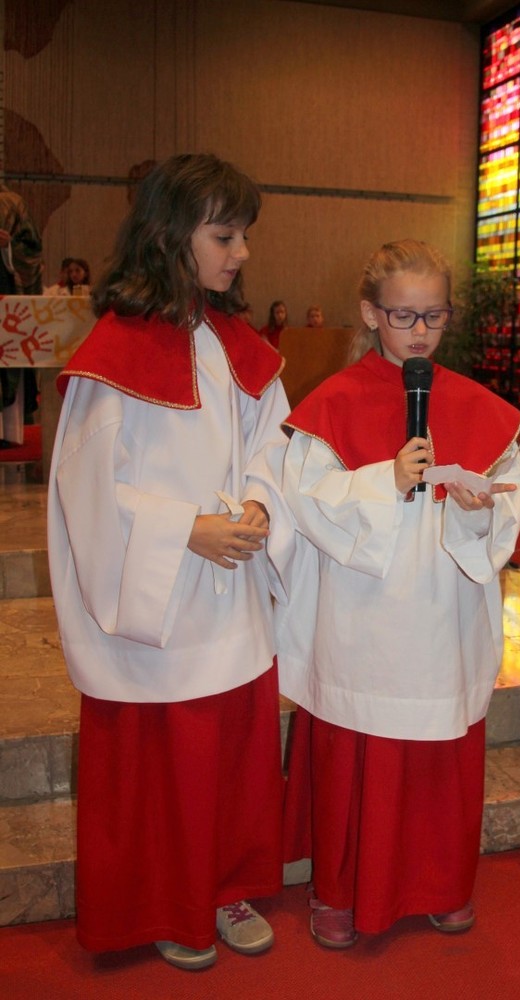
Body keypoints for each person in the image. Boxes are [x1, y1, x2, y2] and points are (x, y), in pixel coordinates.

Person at [47, 153, 292, 970]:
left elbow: (277, 444)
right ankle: (162, 903)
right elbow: (87, 489)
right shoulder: (114, 355)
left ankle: (227, 888)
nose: (242, 253)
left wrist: (260, 503)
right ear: (168, 236)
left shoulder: (236, 345)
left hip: (231, 591)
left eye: (244, 235)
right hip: (158, 595)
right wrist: (186, 529)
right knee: (164, 764)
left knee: (229, 757)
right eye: (224, 236)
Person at [276, 238, 520, 948]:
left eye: (434, 316)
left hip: (443, 613)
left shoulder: (480, 408)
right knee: (356, 750)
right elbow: (308, 501)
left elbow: (510, 501)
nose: (420, 331)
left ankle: (440, 884)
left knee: (439, 753)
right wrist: (383, 480)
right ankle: (339, 889)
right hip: (362, 612)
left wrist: (479, 511)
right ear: (371, 313)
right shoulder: (332, 405)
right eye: (403, 316)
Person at [0, 182, 43, 444]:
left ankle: (9, 433)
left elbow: (32, 247)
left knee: (10, 358)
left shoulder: (12, 202)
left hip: (5, 287)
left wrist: (8, 245)